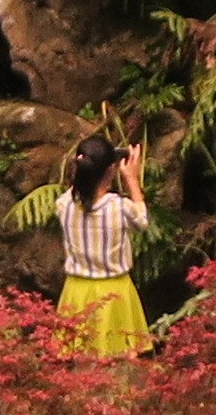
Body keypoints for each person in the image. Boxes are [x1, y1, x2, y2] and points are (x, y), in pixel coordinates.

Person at [54, 133, 150, 356]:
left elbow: (77, 195)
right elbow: (142, 221)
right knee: (118, 360)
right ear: (110, 170)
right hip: (115, 291)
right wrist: (132, 180)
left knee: (77, 360)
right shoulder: (119, 207)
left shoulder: (63, 205)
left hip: (76, 291)